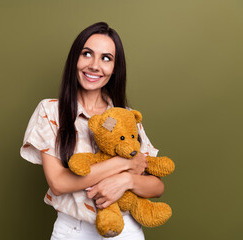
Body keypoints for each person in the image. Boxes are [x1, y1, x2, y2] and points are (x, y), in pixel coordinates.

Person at [20, 22, 164, 240]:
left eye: (106, 58)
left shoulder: (126, 116)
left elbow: (156, 186)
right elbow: (59, 184)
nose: (95, 65)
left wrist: (128, 181)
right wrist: (124, 164)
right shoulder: (50, 111)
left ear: (115, 68)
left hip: (126, 231)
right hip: (72, 231)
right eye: (87, 54)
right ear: (74, 59)